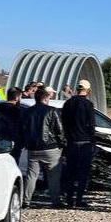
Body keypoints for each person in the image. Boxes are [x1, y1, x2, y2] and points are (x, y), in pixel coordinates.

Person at [22, 86, 65, 208]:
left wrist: (26, 143)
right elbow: (60, 130)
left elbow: (23, 129)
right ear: (46, 98)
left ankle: (26, 201)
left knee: (31, 175)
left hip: (33, 149)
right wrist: (62, 145)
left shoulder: (27, 112)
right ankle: (55, 201)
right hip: (51, 148)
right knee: (53, 176)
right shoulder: (52, 111)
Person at [61, 79, 96, 208]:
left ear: (77, 89)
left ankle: (69, 199)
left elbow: (63, 122)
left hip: (71, 142)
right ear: (87, 91)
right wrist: (93, 141)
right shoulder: (88, 105)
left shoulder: (68, 103)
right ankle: (79, 198)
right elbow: (92, 125)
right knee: (83, 172)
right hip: (85, 142)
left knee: (70, 171)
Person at [0, 87, 25, 163]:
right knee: (10, 166)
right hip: (9, 142)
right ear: (16, 97)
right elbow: (18, 128)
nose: (20, 99)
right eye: (20, 97)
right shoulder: (15, 111)